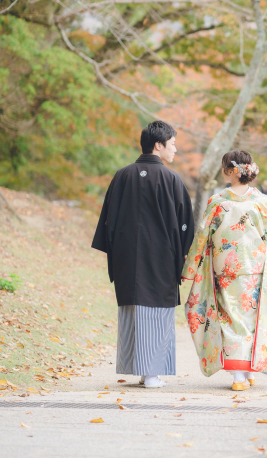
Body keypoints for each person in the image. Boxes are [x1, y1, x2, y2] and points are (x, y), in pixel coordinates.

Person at [91, 121, 194, 389]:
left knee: (133, 309)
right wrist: (184, 252)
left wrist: (115, 249)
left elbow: (107, 220)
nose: (174, 150)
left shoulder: (122, 175)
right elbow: (185, 223)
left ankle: (139, 368)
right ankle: (151, 374)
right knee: (157, 311)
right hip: (161, 256)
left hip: (127, 256)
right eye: (172, 144)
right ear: (158, 145)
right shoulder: (171, 179)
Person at [182, 150, 267, 391]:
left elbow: (202, 237)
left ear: (228, 171)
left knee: (230, 318)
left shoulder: (218, 202)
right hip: (256, 268)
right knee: (254, 318)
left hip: (226, 269)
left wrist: (189, 269)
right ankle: (249, 371)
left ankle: (239, 377)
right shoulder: (262, 201)